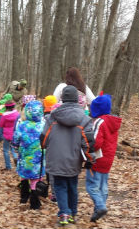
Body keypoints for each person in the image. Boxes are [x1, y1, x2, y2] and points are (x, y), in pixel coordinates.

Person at [42, 85, 95, 226]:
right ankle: (72, 212)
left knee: (59, 186)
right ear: (77, 100)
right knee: (72, 185)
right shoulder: (84, 119)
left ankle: (64, 213)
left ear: (62, 99)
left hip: (55, 159)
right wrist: (90, 159)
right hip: (74, 160)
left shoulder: (52, 117)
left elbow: (44, 137)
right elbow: (88, 143)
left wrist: (44, 146)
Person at [86, 95, 121, 223]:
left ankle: (100, 206)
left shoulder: (100, 122)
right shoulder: (113, 122)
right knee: (103, 185)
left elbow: (96, 142)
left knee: (91, 185)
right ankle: (98, 209)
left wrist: (88, 149)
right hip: (108, 158)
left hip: (98, 158)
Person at [12, 100, 45, 210]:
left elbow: (15, 140)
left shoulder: (22, 126)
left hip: (25, 156)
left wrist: (16, 148)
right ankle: (34, 202)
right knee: (35, 178)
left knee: (24, 175)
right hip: (38, 157)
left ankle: (24, 196)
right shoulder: (43, 125)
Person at [42, 94, 60, 202]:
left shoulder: (45, 118)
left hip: (48, 148)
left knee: (50, 171)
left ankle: (53, 192)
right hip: (58, 149)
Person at [0, 97, 19, 170]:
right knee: (13, 148)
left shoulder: (4, 115)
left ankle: (8, 166)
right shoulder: (17, 114)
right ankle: (15, 158)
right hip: (15, 134)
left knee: (5, 150)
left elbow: (0, 124)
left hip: (7, 135)